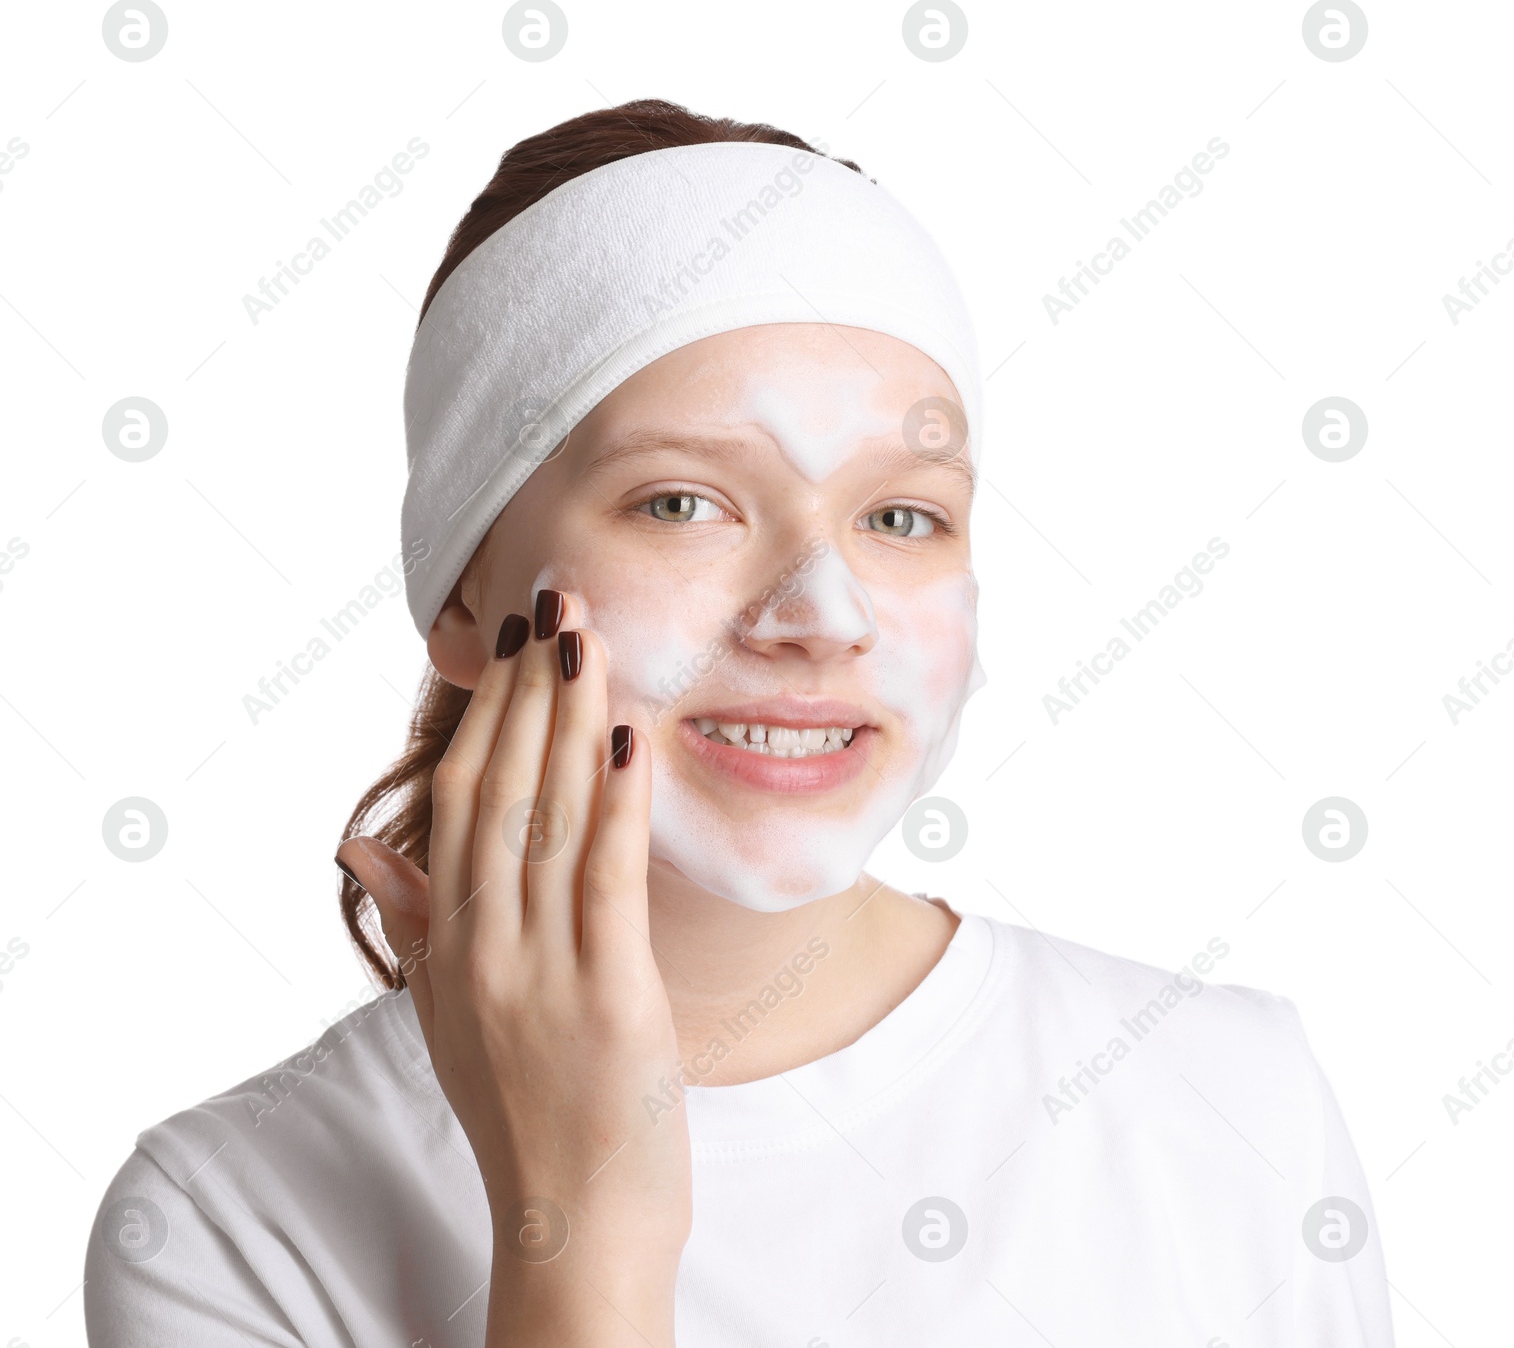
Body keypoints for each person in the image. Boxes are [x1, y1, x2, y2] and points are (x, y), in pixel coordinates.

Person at [85, 100, 1395, 1346]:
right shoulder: (230, 1223)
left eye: (901, 515)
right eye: (683, 503)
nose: (822, 613)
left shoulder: (1231, 1101)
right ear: (463, 595)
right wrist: (579, 1231)